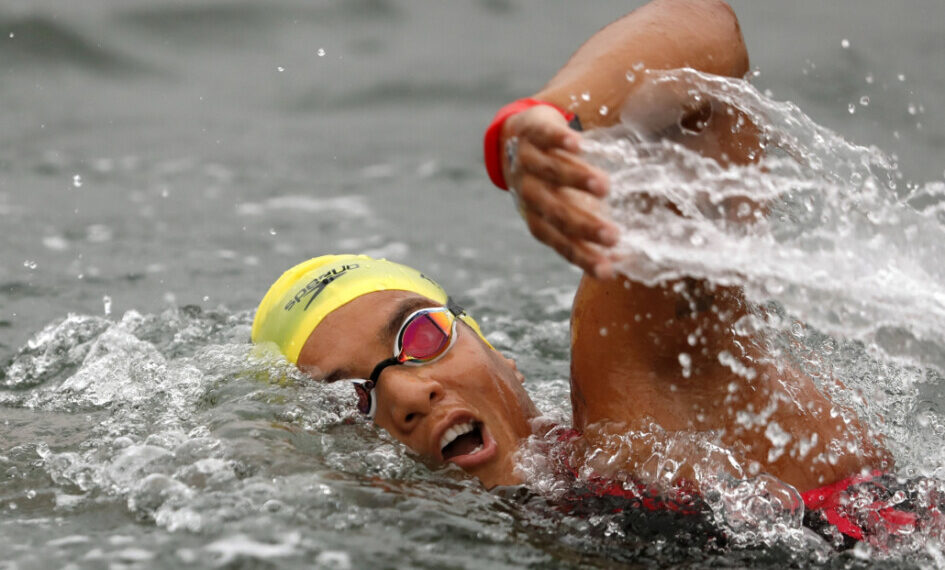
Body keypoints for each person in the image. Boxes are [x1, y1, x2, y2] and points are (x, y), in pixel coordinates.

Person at [252, 0, 913, 547]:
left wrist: (548, 120)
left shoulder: (636, 402)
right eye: (350, 400)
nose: (405, 395)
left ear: (503, 357)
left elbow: (706, 37)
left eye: (420, 335)